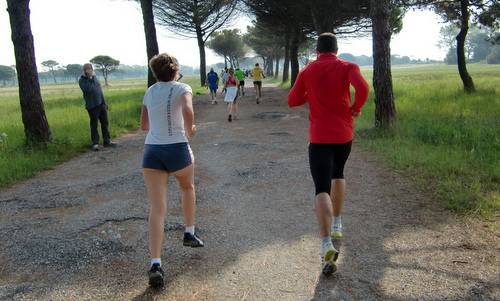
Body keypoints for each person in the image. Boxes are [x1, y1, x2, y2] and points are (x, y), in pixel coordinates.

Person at [287, 33, 369, 272]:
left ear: (316, 50)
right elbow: (362, 88)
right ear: (336, 48)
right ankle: (337, 223)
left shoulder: (308, 71)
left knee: (321, 187)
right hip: (344, 134)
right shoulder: (348, 66)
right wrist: (356, 107)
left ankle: (326, 244)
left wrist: (309, 92)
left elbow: (292, 100)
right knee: (339, 174)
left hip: (320, 136)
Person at [140, 53, 204, 288]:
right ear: (175, 70)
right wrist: (190, 129)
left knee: (157, 208)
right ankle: (189, 232)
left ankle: (155, 263)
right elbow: (187, 110)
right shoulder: (183, 87)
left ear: (155, 72)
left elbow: (144, 125)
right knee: (187, 187)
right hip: (177, 148)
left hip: (152, 151)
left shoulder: (149, 91)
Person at [79, 63, 116, 151]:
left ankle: (107, 141)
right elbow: (88, 89)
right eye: (87, 69)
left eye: (90, 68)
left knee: (105, 123)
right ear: (85, 71)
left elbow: (99, 90)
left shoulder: (95, 78)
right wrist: (90, 78)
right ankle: (95, 143)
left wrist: (104, 103)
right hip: (92, 106)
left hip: (101, 104)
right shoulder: (82, 80)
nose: (89, 70)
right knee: (94, 125)